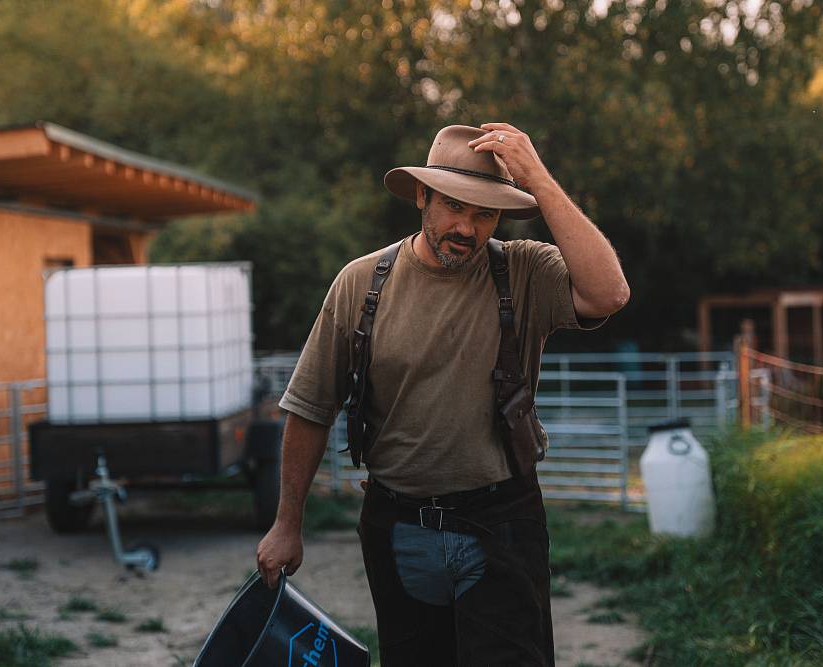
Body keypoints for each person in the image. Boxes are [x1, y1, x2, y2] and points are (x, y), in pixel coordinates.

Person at [256, 122, 629, 666]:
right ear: (422, 197)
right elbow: (311, 407)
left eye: (485, 214)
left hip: (502, 519)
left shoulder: (523, 270)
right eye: (455, 207)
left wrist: (540, 181)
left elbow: (609, 292)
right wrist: (287, 522)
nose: (467, 228)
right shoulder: (362, 284)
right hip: (397, 524)